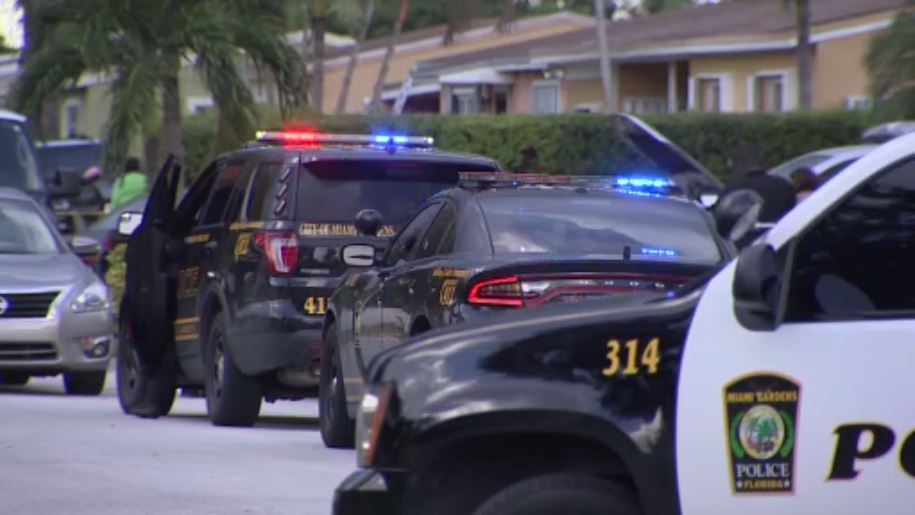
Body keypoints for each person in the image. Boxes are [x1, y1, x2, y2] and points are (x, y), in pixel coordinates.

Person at [718, 146, 796, 223]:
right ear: (764, 163)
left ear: (740, 165)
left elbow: (720, 219)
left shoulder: (730, 190)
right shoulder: (782, 185)